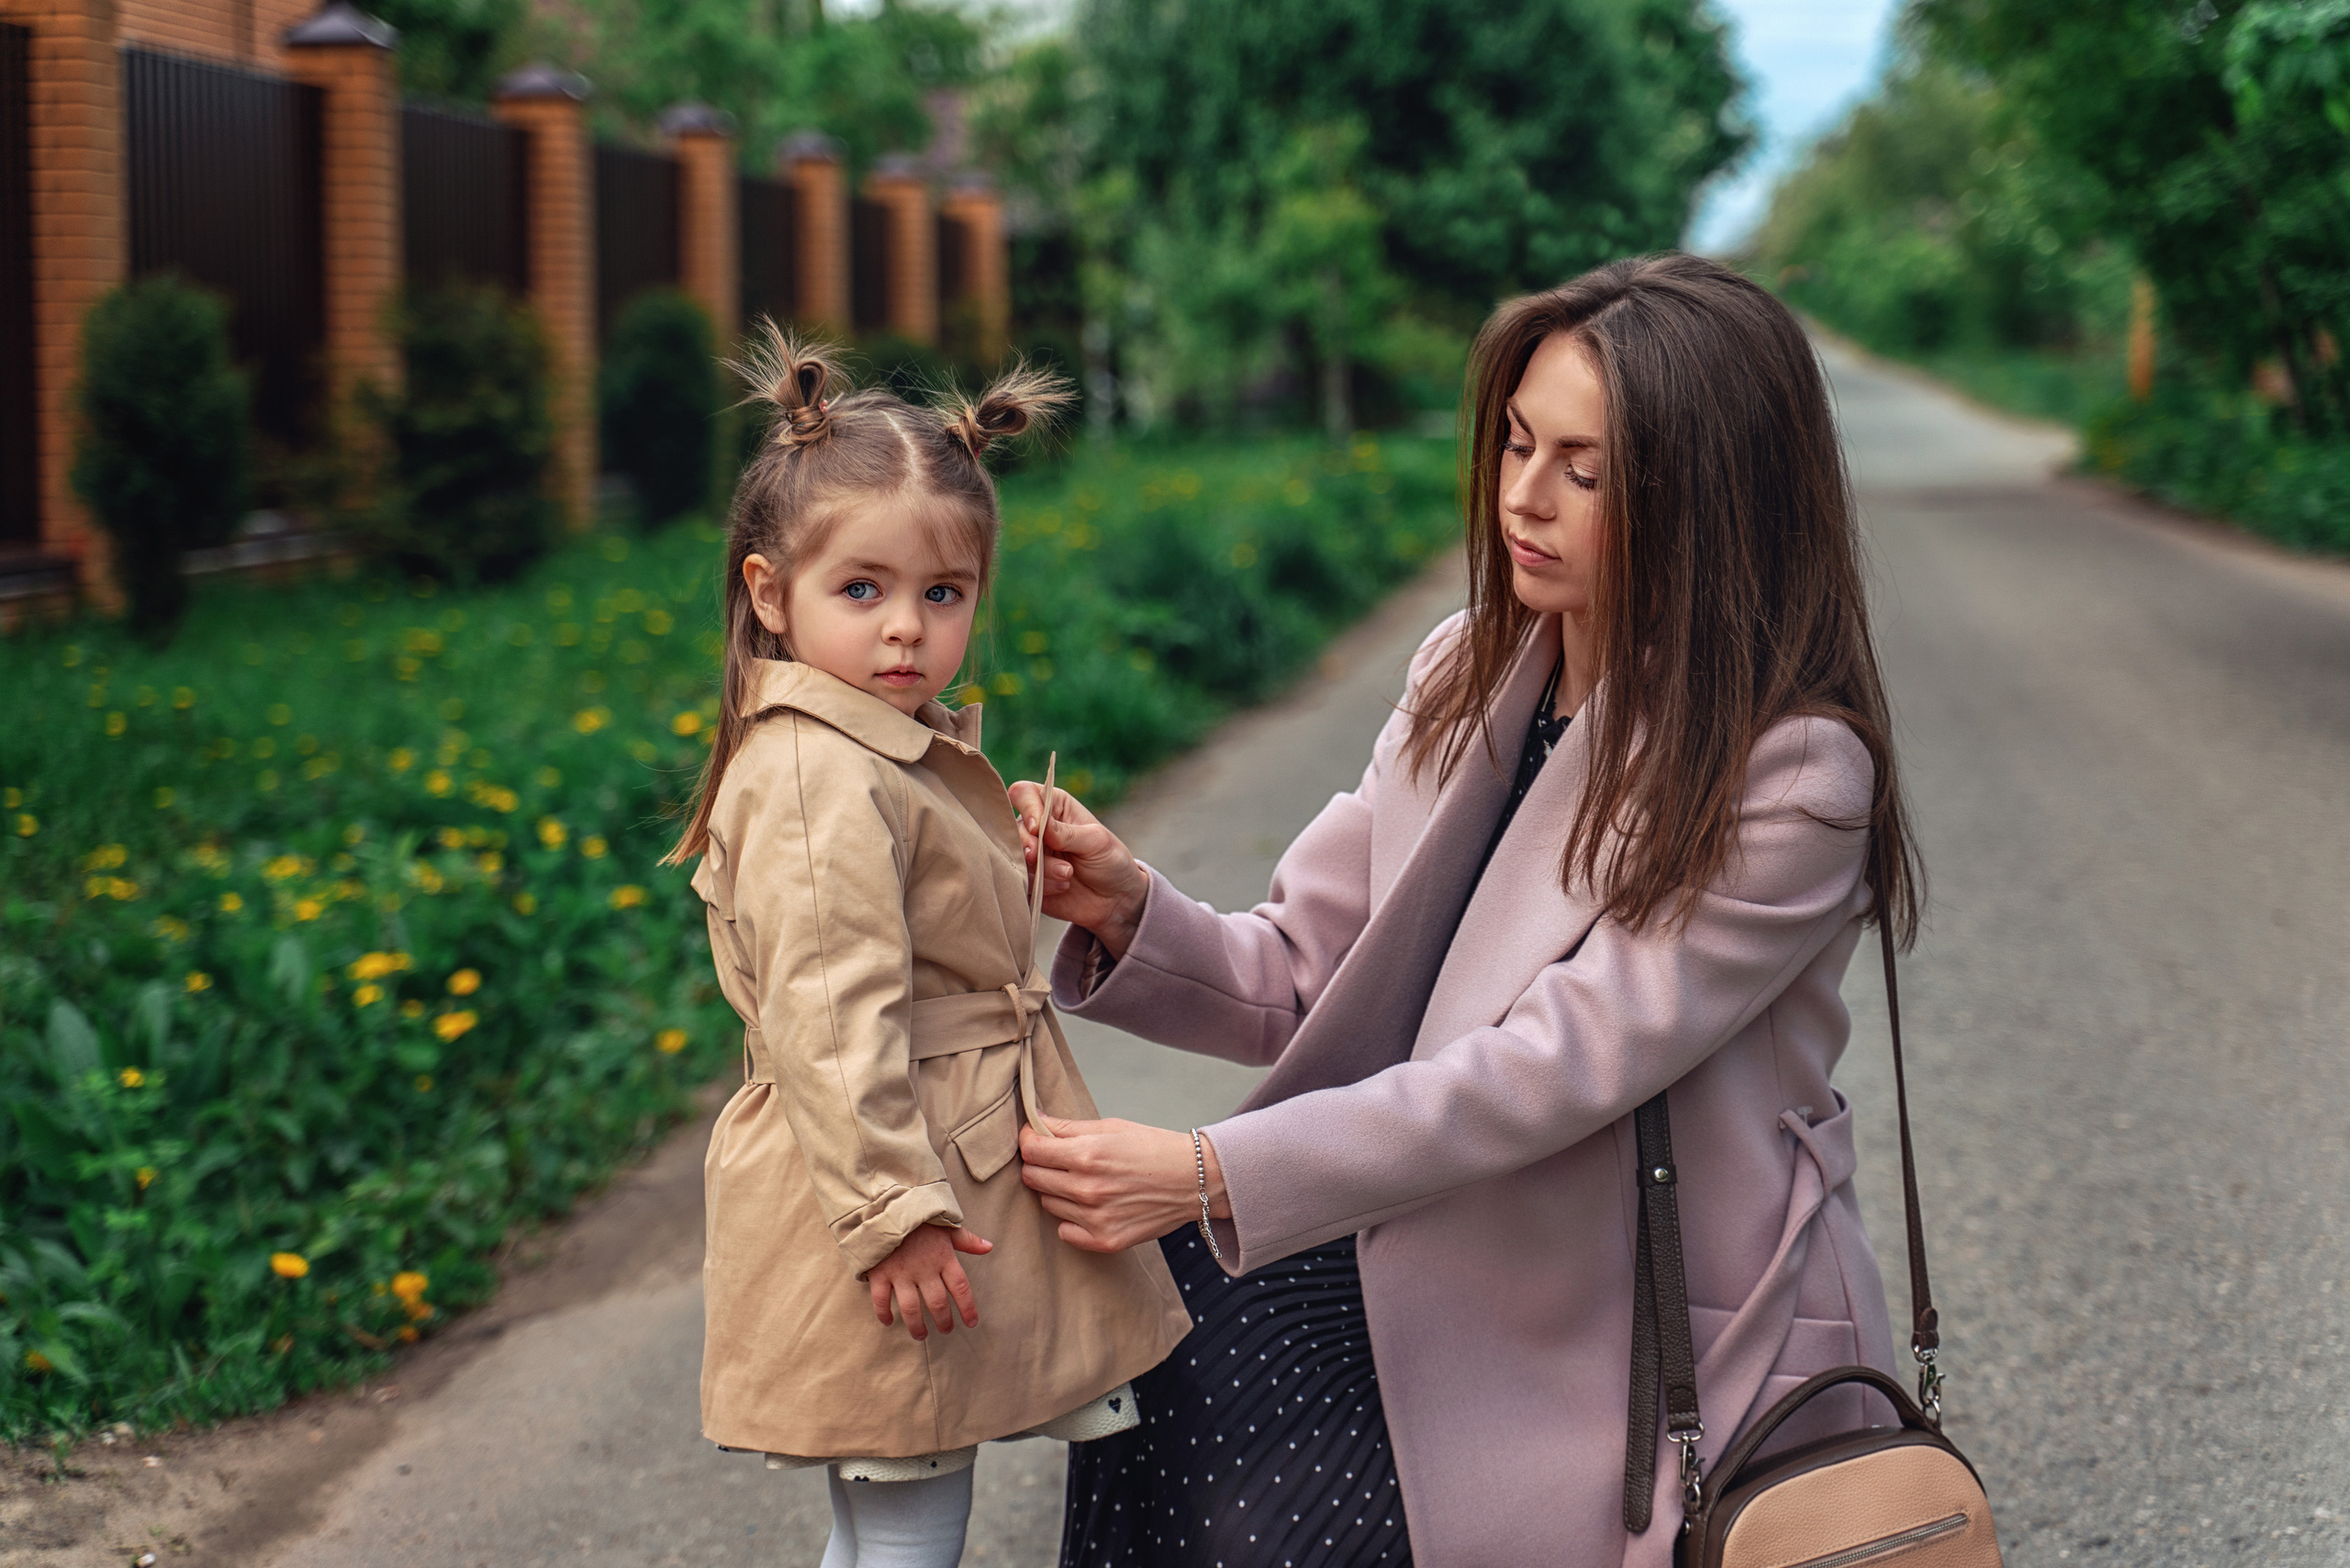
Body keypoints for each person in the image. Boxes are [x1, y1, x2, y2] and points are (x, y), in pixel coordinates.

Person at [1013, 252, 1923, 1566]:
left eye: (1587, 472)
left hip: (1641, 1327)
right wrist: (1126, 907)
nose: (1523, 498)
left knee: (1270, 1511)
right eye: (1515, 442)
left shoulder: (1787, 773)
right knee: (1161, 1371)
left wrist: (1209, 1172)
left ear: (1709, 501)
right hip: (1432, 1235)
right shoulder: (1469, 669)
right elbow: (1312, 973)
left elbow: (1539, 1074)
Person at [666, 329, 1191, 1568]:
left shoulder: (871, 750)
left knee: (884, 1504)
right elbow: (832, 1013)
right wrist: (895, 1212)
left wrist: (1000, 861)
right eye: (863, 590)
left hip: (907, 1161)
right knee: (910, 1508)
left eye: (942, 594)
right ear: (769, 594)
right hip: (895, 1176)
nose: (906, 629)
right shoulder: (820, 776)